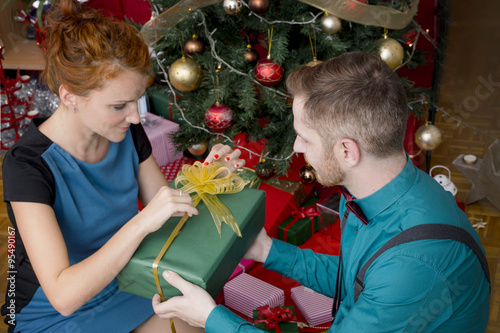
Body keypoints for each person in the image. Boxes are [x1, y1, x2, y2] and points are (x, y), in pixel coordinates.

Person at [152, 52, 491, 332]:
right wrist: (266, 250)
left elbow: (384, 278)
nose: (297, 147)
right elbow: (355, 281)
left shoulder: (412, 264)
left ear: (347, 151)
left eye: (306, 137)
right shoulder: (376, 190)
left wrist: (212, 319)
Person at [0, 1, 244, 332]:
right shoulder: (27, 165)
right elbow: (64, 296)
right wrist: (142, 222)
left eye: (137, 100)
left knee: (199, 322)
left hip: (128, 280)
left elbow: (169, 214)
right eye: (119, 105)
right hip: (53, 313)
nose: (134, 117)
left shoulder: (126, 132)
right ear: (69, 96)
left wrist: (207, 180)